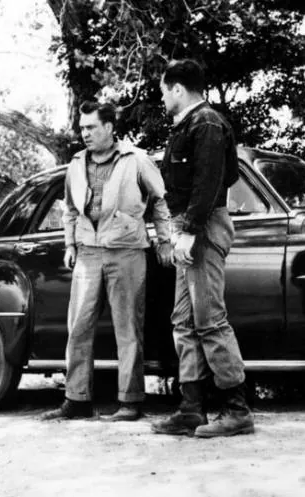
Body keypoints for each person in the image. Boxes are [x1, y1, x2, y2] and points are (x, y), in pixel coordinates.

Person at [42, 101, 172, 422]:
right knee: (78, 326)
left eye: (91, 127)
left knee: (128, 329)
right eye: (82, 128)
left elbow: (160, 201)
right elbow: (69, 209)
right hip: (87, 252)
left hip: (127, 251)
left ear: (110, 127)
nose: (85, 134)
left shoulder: (136, 159)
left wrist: (165, 241)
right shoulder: (76, 163)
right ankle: (77, 399)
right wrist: (69, 243)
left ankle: (130, 402)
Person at [150, 59, 254, 437]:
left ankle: (237, 410)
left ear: (178, 89)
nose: (163, 98)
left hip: (201, 228)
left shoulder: (206, 123)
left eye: (164, 91)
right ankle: (191, 409)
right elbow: (221, 175)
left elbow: (210, 181)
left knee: (210, 320)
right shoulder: (191, 125)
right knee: (183, 320)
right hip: (190, 226)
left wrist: (190, 230)